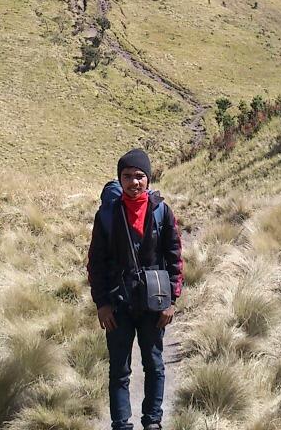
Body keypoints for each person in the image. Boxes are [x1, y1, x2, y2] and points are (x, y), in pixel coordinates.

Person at [87, 148, 184, 430]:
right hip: (117, 304)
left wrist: (171, 301)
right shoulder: (106, 216)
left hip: (154, 303)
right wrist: (102, 303)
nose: (134, 182)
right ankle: (121, 424)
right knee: (119, 370)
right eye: (127, 176)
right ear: (119, 179)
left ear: (148, 179)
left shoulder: (162, 212)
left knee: (154, 365)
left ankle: (152, 422)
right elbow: (96, 263)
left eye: (139, 176)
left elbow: (175, 257)